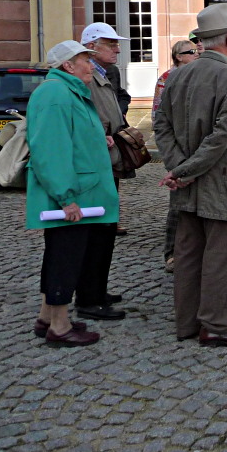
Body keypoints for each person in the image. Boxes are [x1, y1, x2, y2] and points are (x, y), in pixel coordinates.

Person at [153, 3, 227, 347]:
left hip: (189, 186)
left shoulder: (178, 75)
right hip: (223, 184)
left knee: (189, 255)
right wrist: (185, 170)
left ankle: (187, 323)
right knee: (223, 258)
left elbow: (160, 125)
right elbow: (221, 139)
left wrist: (179, 167)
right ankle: (215, 325)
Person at [26, 40, 119, 346]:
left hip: (81, 193)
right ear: (68, 65)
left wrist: (97, 140)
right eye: (85, 60)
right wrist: (66, 198)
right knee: (64, 259)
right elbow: (50, 151)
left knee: (62, 256)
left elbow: (71, 138)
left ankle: (46, 317)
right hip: (71, 197)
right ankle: (60, 327)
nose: (91, 65)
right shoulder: (55, 93)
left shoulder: (67, 91)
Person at [77, 21, 132, 320]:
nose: (117, 48)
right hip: (96, 163)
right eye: (111, 44)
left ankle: (97, 289)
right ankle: (89, 297)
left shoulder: (105, 72)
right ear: (93, 46)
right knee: (96, 232)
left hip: (108, 160)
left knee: (105, 230)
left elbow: (116, 100)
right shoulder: (84, 78)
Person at [153, 40, 200, 272]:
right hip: (178, 150)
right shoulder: (167, 78)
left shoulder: (201, 75)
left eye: (196, 50)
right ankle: (171, 253)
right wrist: (175, 161)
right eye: (190, 52)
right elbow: (158, 117)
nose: (195, 54)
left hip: (198, 151)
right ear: (178, 56)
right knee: (178, 206)